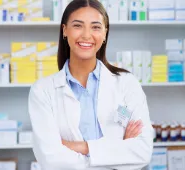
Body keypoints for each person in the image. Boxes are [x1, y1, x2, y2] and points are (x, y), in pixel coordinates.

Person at [28, 0, 154, 169]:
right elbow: (51, 159)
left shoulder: (126, 83)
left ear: (104, 34)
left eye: (95, 27)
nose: (87, 35)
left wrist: (82, 147)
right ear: (65, 30)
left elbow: (143, 151)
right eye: (78, 26)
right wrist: (118, 149)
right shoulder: (43, 90)